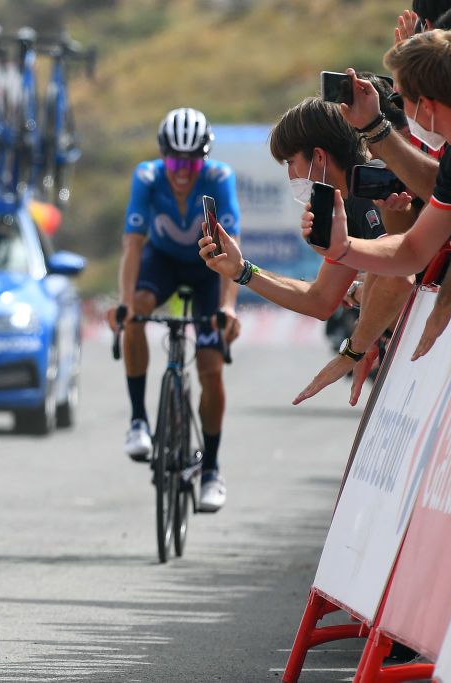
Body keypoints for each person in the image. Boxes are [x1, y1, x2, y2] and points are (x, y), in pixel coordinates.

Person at [303, 30, 451, 361]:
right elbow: (413, 248)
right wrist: (345, 248)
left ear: (425, 105)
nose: (400, 112)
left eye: (400, 100)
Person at [197, 97, 413, 405]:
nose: (289, 174)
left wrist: (352, 350)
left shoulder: (372, 186)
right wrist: (243, 270)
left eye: (290, 162)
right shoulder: (347, 202)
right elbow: (321, 299)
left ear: (320, 158)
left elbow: (400, 281)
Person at [114, 107, 240, 513]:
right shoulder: (146, 177)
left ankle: (212, 470)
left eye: (191, 162)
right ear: (161, 156)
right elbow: (133, 246)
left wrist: (227, 306)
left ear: (202, 159)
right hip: (162, 262)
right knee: (136, 310)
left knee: (210, 366)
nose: (182, 171)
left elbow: (230, 249)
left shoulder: (218, 179)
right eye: (173, 161)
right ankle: (138, 421)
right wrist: (124, 305)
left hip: (208, 268)